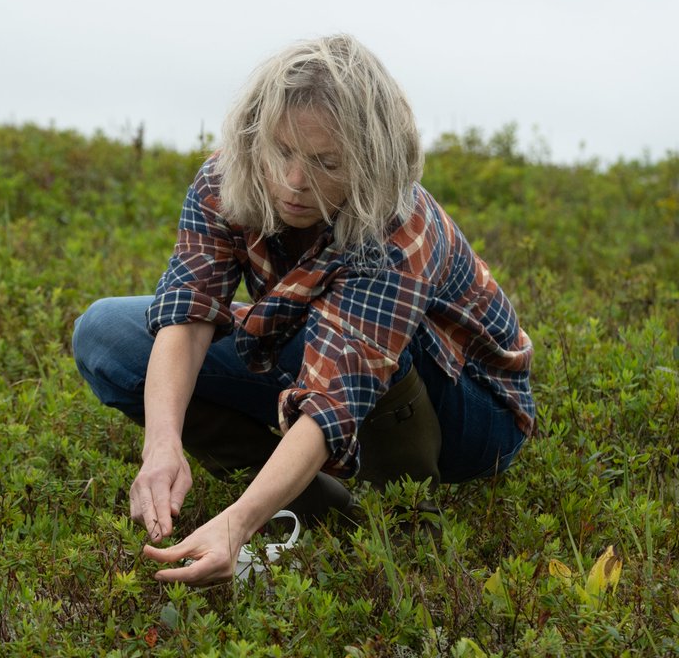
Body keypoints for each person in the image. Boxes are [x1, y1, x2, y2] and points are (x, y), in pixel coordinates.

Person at [72, 34, 535, 586]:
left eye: (325, 162)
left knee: (364, 338)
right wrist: (161, 445)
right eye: (283, 151)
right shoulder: (225, 179)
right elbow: (190, 312)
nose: (293, 182)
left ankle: (402, 521)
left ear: (370, 160)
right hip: (321, 342)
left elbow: (339, 390)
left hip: (470, 413)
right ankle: (318, 506)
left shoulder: (397, 225)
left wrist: (238, 526)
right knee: (106, 335)